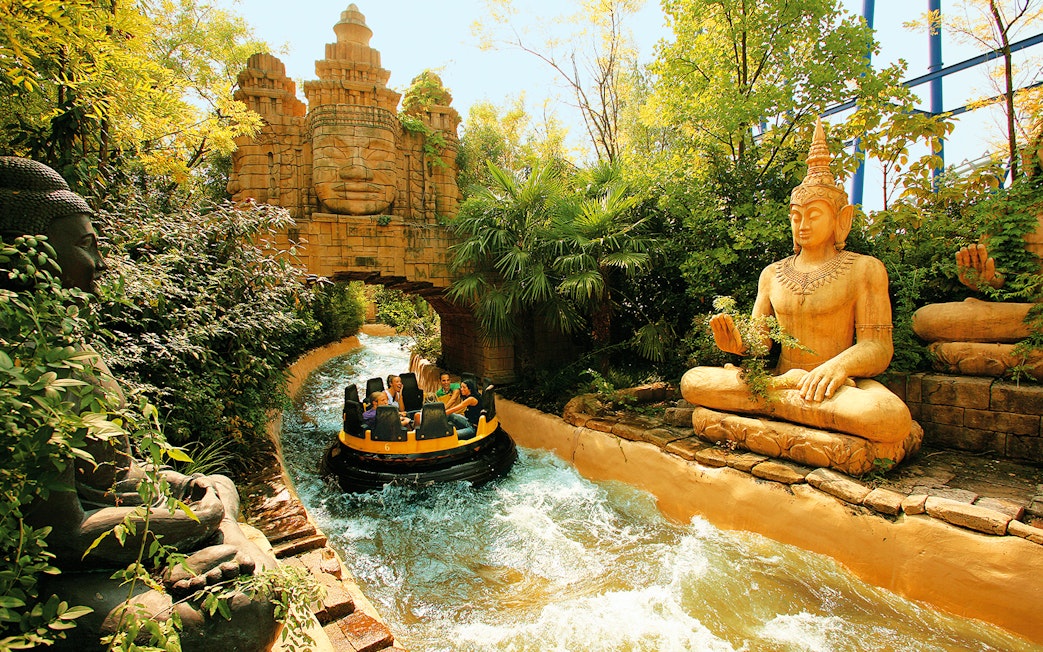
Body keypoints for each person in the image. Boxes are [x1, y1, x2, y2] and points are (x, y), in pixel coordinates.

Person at [1, 157, 280, 649]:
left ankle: (223, 546)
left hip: (132, 513)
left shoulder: (73, 349)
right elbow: (62, 534)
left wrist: (187, 490)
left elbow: (123, 468)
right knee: (235, 612)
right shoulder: (19, 373)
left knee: (217, 482)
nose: (101, 263)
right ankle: (217, 548)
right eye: (87, 246)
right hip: (70, 567)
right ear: (33, 252)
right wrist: (200, 521)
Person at [679, 120, 913, 444]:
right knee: (692, 381)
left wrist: (838, 367)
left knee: (887, 415)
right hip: (780, 380)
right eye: (795, 216)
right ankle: (786, 389)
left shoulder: (864, 269)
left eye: (814, 215)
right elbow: (761, 342)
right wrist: (737, 343)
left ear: (841, 219)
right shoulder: (772, 274)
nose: (802, 225)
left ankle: (776, 402)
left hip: (834, 388)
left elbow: (878, 346)